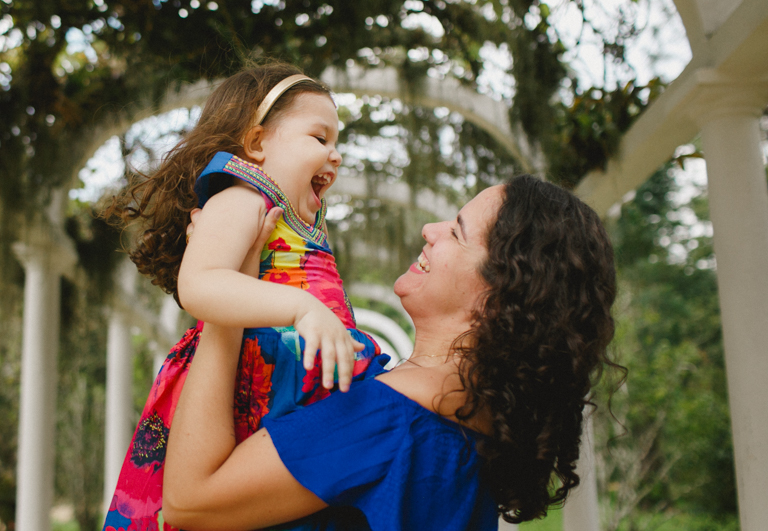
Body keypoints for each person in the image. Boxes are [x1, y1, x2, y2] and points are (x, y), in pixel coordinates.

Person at [163, 175, 619, 531]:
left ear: (497, 297)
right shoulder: (466, 435)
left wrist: (228, 297)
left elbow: (189, 500)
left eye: (457, 233)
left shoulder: (387, 424)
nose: (430, 229)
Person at [102, 63, 386, 530]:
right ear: (256, 144)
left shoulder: (298, 214)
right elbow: (201, 283)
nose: (334, 156)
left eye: (337, 144)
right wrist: (303, 309)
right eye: (320, 139)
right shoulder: (242, 198)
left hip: (287, 390)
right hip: (246, 386)